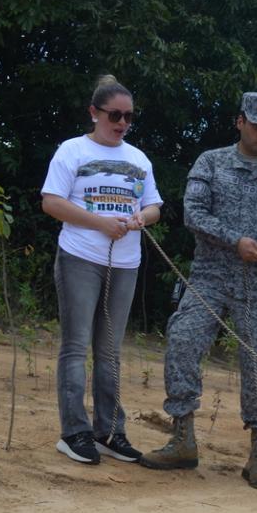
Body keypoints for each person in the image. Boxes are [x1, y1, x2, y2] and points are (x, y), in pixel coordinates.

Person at [139, 92, 257, 490]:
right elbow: (194, 214)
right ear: (240, 122)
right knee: (182, 341)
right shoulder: (211, 162)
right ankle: (182, 440)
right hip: (210, 276)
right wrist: (236, 240)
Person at [41, 74, 163, 465]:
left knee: (109, 352)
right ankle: (74, 432)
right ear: (94, 113)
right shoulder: (71, 150)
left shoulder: (139, 159)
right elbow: (51, 202)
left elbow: (154, 207)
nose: (122, 123)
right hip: (79, 257)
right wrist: (99, 223)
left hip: (125, 263)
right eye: (114, 115)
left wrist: (141, 218)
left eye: (128, 117)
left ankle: (110, 432)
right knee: (76, 347)